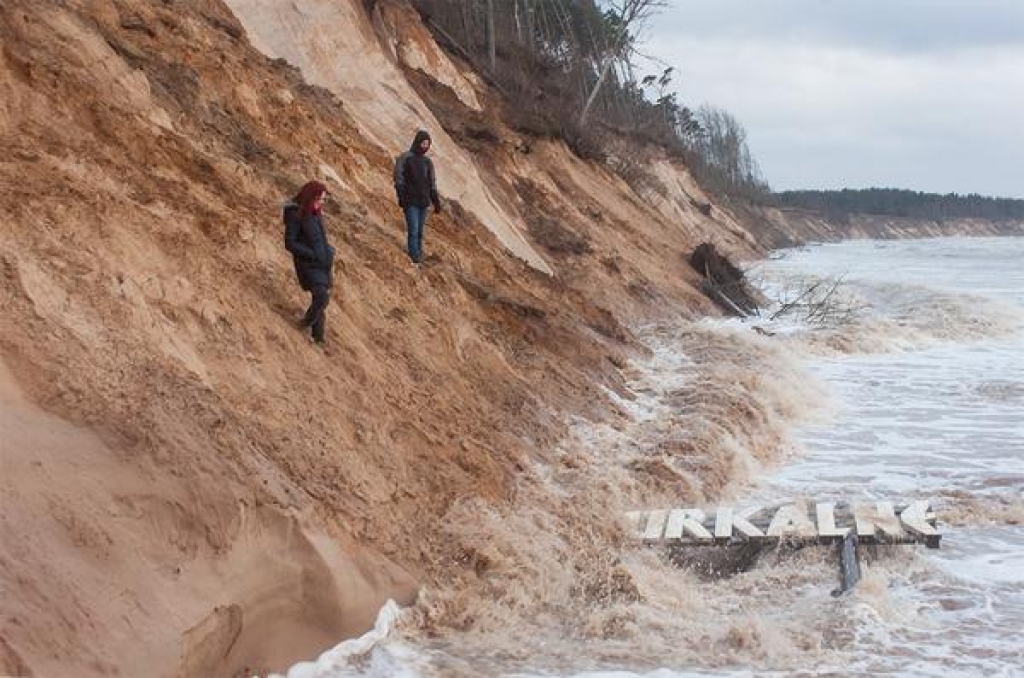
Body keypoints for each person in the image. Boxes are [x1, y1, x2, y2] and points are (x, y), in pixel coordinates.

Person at [283, 181, 334, 346]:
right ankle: (305, 322)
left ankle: (318, 338)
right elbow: (290, 243)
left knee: (320, 301)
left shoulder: (315, 212)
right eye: (319, 199)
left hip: (323, 263)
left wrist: (328, 251)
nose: (321, 203)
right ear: (310, 197)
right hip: (308, 264)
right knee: (321, 297)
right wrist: (312, 254)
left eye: (323, 200)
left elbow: (320, 238)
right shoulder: (295, 214)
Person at [394, 129, 442, 264]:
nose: (425, 146)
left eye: (428, 144)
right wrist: (401, 196)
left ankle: (418, 254)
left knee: (420, 231)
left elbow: (432, 182)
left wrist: (436, 201)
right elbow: (399, 178)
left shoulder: (428, 162)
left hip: (423, 202)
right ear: (417, 142)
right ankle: (414, 256)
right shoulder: (405, 158)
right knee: (413, 229)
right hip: (410, 201)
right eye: (423, 143)